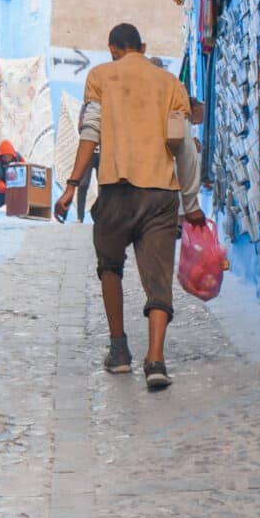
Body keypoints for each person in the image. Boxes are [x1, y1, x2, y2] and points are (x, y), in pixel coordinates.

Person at [60, 23, 205, 390]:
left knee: (110, 265)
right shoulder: (170, 84)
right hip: (160, 195)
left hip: (116, 191)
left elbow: (89, 134)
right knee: (158, 279)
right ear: (142, 46)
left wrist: (71, 186)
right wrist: (191, 204)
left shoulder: (100, 77)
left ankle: (119, 350)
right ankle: (156, 360)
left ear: (112, 48)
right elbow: (183, 145)